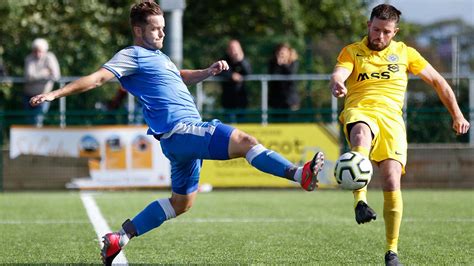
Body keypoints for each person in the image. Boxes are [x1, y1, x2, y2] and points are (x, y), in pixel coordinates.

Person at [29, 2, 325, 265]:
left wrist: (207, 72)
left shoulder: (160, 58)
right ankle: (300, 175)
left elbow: (179, 76)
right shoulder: (131, 55)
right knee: (245, 142)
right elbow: (97, 79)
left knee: (182, 203)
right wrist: (56, 94)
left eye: (163, 28)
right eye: (155, 29)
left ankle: (120, 237)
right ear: (137, 30)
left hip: (179, 140)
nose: (161, 34)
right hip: (181, 130)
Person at [329, 4, 470, 266]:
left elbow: (438, 82)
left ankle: (391, 251)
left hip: (392, 121)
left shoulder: (406, 53)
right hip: (360, 110)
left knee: (392, 180)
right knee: (360, 134)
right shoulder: (352, 51)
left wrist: (458, 114)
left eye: (385, 32)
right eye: (375, 30)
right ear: (367, 26)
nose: (379, 36)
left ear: (395, 32)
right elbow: (340, 72)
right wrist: (337, 82)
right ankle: (360, 202)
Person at [24, 38, 61, 127]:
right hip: (29, 95)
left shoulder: (50, 57)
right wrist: (45, 73)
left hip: (43, 96)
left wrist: (36, 76)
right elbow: (29, 76)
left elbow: (56, 76)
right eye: (35, 51)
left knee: (38, 120)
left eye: (40, 51)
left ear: (45, 51)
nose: (37, 54)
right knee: (28, 121)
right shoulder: (29, 58)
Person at [218, 39, 252, 122]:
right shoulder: (223, 60)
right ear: (228, 50)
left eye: (235, 48)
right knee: (227, 122)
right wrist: (231, 76)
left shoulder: (244, 61)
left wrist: (241, 60)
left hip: (241, 97)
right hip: (227, 97)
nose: (234, 51)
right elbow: (218, 72)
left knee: (242, 121)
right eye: (231, 48)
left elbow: (249, 72)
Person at [268, 43, 300, 122]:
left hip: (290, 100)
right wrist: (278, 64)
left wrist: (284, 64)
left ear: (289, 53)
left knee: (290, 121)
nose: (281, 54)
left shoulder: (294, 63)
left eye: (284, 52)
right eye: (280, 52)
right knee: (277, 121)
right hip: (276, 99)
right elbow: (272, 76)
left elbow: (291, 74)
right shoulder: (273, 63)